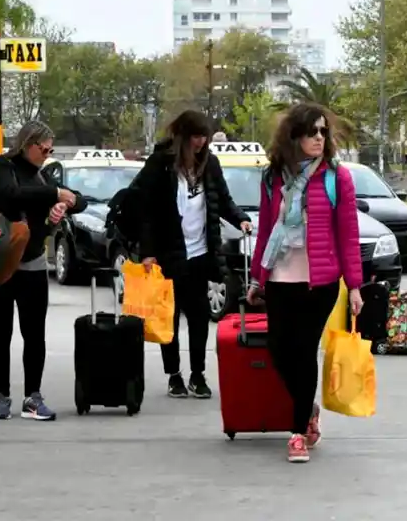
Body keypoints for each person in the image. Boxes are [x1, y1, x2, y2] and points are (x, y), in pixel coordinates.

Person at [246, 103, 362, 463]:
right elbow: (266, 229)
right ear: (294, 135)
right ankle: (307, 407)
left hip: (320, 281)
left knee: (304, 351)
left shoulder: (335, 177)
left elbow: (348, 234)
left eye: (323, 132)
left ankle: (296, 433)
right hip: (280, 276)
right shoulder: (274, 177)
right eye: (311, 131)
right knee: (280, 350)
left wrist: (355, 286)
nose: (318, 138)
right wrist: (256, 276)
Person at [135, 110, 252, 399]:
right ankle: (174, 374)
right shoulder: (161, 163)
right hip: (168, 252)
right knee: (170, 316)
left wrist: (240, 219)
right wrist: (148, 252)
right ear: (183, 136)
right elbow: (146, 210)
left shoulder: (209, 163)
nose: (201, 143)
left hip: (201, 250)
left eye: (205, 138)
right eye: (196, 137)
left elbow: (222, 199)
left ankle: (198, 373)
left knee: (199, 315)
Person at [0, 121, 85, 421]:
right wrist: (54, 195)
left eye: (52, 149)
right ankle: (1, 396)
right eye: (44, 148)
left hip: (34, 264)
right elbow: (10, 196)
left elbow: (75, 198)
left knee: (34, 335)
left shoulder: (45, 174)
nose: (48, 155)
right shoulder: (1, 166)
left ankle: (32, 397)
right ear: (27, 144)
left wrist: (68, 202)